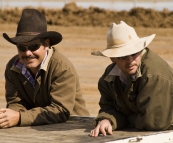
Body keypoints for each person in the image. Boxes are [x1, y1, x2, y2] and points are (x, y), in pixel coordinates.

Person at [0, 8, 89, 129]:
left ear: (46, 44)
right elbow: (16, 103)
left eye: (33, 46)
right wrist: (8, 116)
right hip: (35, 129)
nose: (27, 53)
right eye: (22, 48)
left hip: (72, 127)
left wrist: (20, 117)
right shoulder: (12, 67)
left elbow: (60, 110)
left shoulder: (62, 68)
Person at [90, 21, 173, 137]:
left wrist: (126, 118)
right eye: (123, 56)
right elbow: (108, 107)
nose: (130, 61)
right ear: (112, 58)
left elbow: (155, 122)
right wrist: (106, 120)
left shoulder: (154, 76)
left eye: (134, 53)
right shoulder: (108, 78)